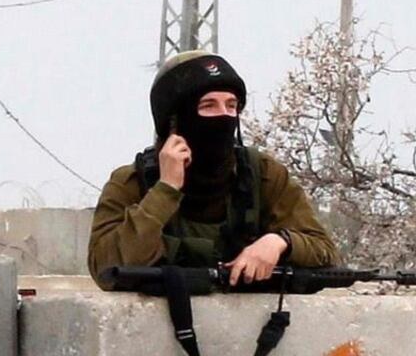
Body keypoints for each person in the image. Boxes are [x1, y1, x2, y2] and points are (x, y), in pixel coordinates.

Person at [88, 50, 339, 289]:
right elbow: (106, 269)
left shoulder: (262, 175)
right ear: (174, 122)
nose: (224, 117)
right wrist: (164, 191)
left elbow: (324, 251)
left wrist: (279, 242)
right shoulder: (133, 182)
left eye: (231, 106)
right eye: (208, 106)